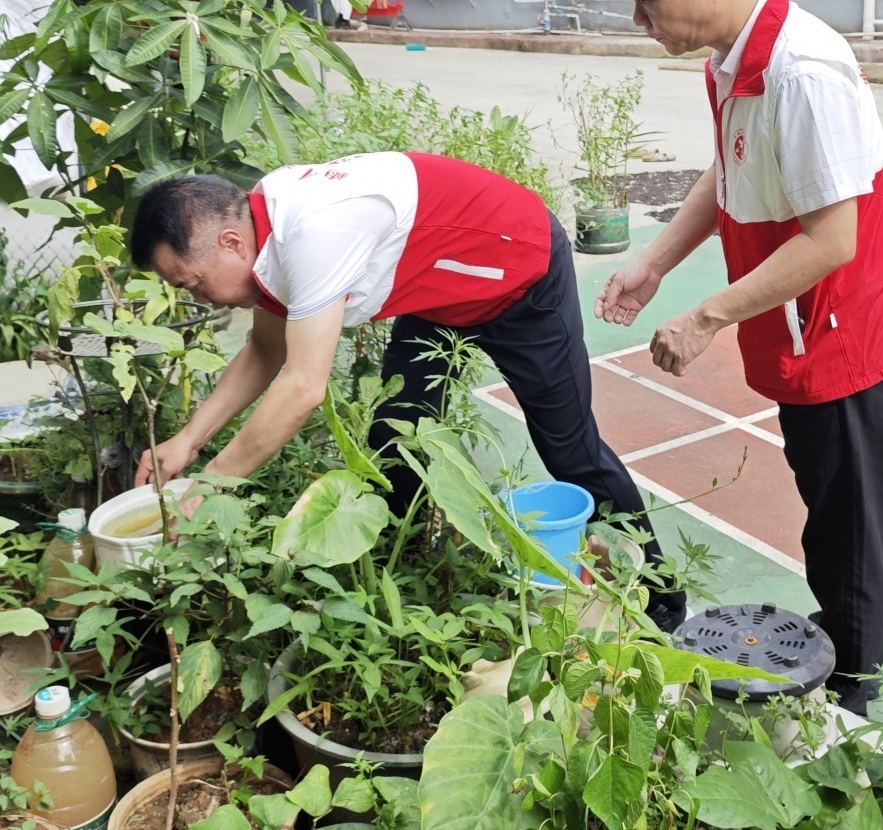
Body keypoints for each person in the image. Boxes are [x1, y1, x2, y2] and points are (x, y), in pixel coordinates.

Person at [593, 0, 883, 715]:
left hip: (848, 349)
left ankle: (849, 710)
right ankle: (840, 650)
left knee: (851, 545)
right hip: (802, 341)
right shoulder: (734, 57)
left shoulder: (802, 72)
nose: (640, 18)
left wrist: (708, 314)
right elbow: (731, 167)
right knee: (830, 520)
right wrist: (658, 261)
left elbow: (834, 239)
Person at [128, 155, 685, 630]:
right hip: (437, 296)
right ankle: (403, 586)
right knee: (396, 437)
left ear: (229, 243)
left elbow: (302, 386)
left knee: (570, 448)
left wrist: (211, 485)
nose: (200, 299)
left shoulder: (314, 234)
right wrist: (187, 442)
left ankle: (663, 598)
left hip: (521, 271)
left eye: (193, 284)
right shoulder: (262, 231)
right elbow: (265, 350)